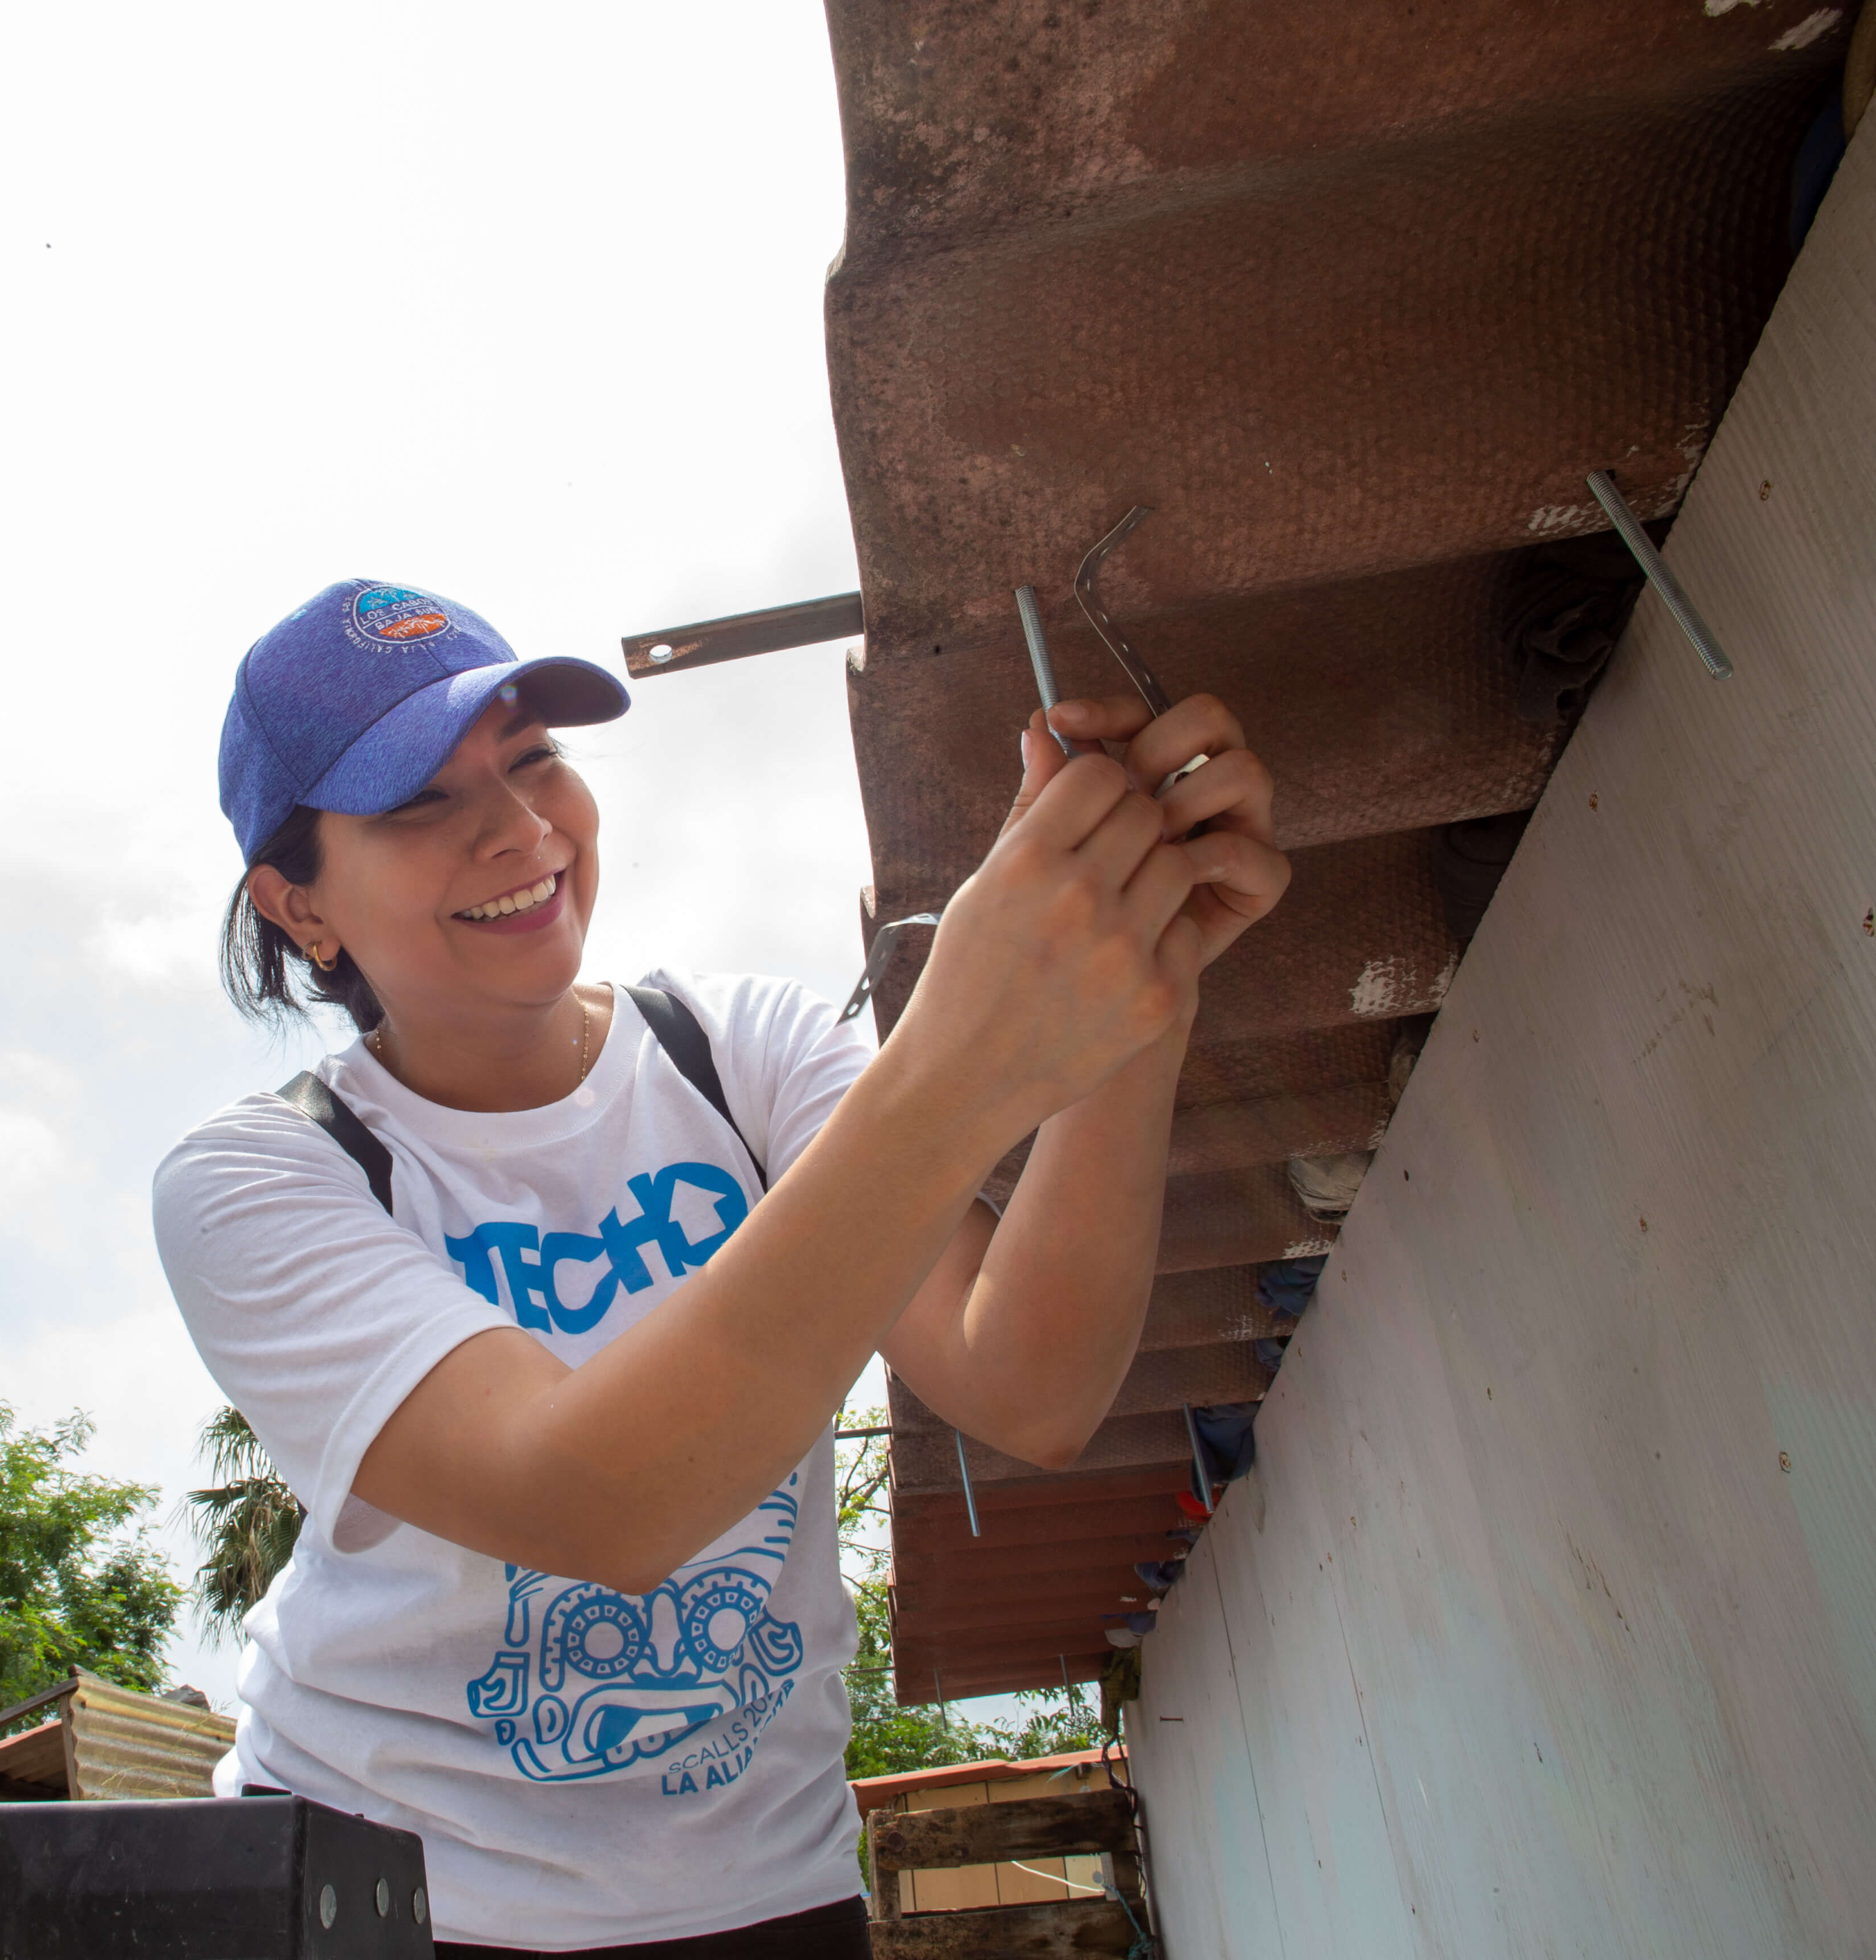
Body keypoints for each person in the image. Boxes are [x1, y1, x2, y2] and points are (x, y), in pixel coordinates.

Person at [154, 580, 1288, 1958]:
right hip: (385, 1900)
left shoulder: (740, 1051)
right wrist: (967, 1047)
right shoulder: (264, 1182)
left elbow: (1030, 1380)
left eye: (534, 761)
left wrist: (1138, 983)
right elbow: (598, 1503)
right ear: (298, 905)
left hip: (770, 1897)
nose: (519, 830)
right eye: (416, 805)